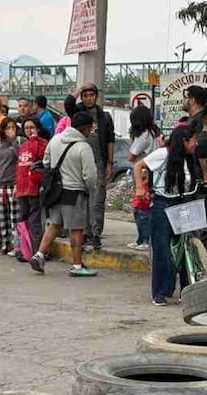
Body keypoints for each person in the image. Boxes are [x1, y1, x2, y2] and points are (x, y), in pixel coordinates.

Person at [134, 125, 201, 306]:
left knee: (189, 246)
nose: (196, 143)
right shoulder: (164, 154)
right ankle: (160, 292)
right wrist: (140, 187)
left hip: (183, 202)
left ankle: (188, 289)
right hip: (163, 204)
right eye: (193, 139)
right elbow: (138, 165)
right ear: (184, 141)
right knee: (162, 250)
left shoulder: (189, 159)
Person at [29, 111, 99, 278]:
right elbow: (90, 176)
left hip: (56, 191)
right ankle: (76, 265)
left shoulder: (55, 140)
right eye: (90, 128)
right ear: (86, 128)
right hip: (74, 193)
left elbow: (46, 162)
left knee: (54, 225)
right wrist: (91, 189)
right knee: (76, 229)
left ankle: (39, 255)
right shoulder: (84, 147)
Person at [64, 83, 115, 251]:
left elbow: (110, 141)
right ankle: (84, 233)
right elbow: (68, 103)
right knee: (82, 200)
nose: (88, 98)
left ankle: (96, 234)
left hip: (98, 162)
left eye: (91, 95)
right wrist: (80, 88)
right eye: (85, 95)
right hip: (79, 162)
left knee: (97, 200)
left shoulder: (104, 117)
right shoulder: (77, 112)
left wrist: (109, 163)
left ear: (96, 96)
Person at [127, 105, 161, 251]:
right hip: (151, 172)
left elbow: (132, 156)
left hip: (143, 174)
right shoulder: (153, 133)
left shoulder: (143, 136)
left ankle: (144, 239)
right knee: (144, 207)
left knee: (141, 209)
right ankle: (142, 238)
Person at [15, 118, 48, 258]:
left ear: (38, 128)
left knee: (35, 221)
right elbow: (19, 168)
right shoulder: (22, 145)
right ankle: (25, 250)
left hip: (34, 188)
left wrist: (35, 140)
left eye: (32, 127)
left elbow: (36, 156)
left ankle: (38, 252)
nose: (29, 130)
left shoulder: (43, 143)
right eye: (26, 127)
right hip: (22, 189)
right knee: (23, 220)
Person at [0, 118, 20, 256]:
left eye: (12, 127)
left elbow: (20, 158)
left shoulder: (19, 142)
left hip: (13, 184)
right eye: (7, 128)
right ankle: (3, 245)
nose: (10, 130)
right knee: (1, 218)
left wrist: (13, 141)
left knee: (14, 217)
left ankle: (16, 246)